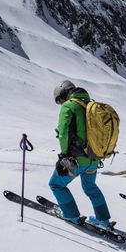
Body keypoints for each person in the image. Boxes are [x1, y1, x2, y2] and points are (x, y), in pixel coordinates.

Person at [48, 80, 111, 227]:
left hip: (76, 160)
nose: (61, 103)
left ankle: (72, 216)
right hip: (94, 159)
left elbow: (64, 133)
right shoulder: (91, 105)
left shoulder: (69, 106)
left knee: (56, 185)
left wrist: (64, 156)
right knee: (90, 188)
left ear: (63, 94)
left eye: (60, 100)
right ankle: (103, 219)